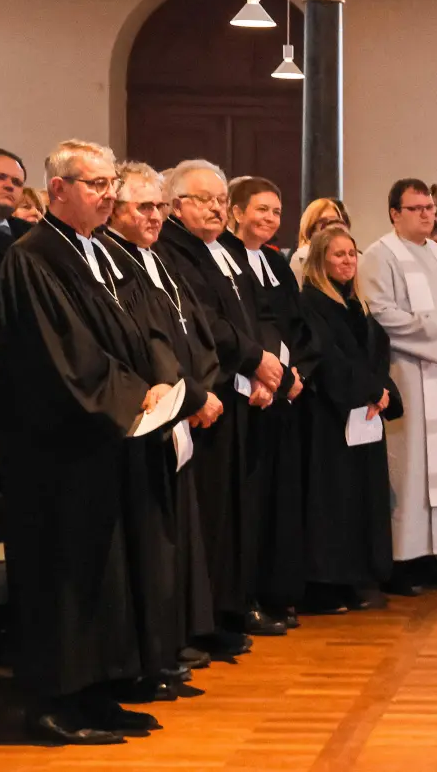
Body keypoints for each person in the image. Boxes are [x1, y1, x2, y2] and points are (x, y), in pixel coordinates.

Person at [0, 140, 192, 743]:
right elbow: (66, 358)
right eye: (95, 185)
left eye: (111, 185)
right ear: (58, 190)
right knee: (68, 575)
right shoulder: (33, 258)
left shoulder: (99, 252)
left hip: (105, 444)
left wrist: (159, 382)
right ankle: (53, 704)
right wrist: (136, 398)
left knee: (108, 573)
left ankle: (101, 690)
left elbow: (143, 324)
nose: (107, 195)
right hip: (60, 451)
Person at [156, 159, 287, 643]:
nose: (215, 208)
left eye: (218, 200)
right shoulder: (176, 251)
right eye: (203, 199)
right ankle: (211, 616)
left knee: (237, 506)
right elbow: (206, 320)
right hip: (209, 389)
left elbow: (251, 313)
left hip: (238, 384)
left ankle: (232, 604)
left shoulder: (214, 249)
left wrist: (261, 367)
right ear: (177, 204)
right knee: (213, 510)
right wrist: (254, 360)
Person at [102, 161, 224, 673]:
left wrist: (204, 388)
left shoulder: (157, 262)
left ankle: (176, 637)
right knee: (154, 538)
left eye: (159, 206)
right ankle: (156, 649)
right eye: (144, 207)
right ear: (116, 209)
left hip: (184, 406)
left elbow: (194, 330)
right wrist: (190, 395)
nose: (155, 217)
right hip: (152, 412)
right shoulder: (116, 262)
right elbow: (148, 346)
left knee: (180, 531)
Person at [358, 180, 437, 595]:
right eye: (416, 208)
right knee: (410, 467)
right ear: (394, 213)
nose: (426, 214)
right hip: (408, 374)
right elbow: (380, 314)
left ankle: (434, 553)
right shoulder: (379, 256)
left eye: (429, 207)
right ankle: (400, 561)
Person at [222, 177, 313, 627]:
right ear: (235, 211)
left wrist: (296, 374)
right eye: (262, 209)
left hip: (282, 391)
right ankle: (248, 595)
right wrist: (261, 373)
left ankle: (279, 590)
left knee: (281, 497)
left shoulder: (276, 264)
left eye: (277, 211)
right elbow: (239, 326)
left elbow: (295, 324)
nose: (271, 219)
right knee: (252, 501)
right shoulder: (226, 257)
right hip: (250, 392)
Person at [299, 227, 404, 614]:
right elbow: (326, 357)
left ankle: (356, 577)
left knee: (362, 499)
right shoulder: (310, 302)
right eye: (338, 255)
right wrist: (370, 391)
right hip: (330, 417)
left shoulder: (357, 304)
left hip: (364, 413)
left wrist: (382, 391)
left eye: (351, 254)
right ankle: (325, 584)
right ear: (320, 261)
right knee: (332, 501)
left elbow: (376, 351)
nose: (347, 261)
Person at [290, 197, 351, 283]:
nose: (331, 226)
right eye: (323, 222)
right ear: (311, 228)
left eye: (335, 221)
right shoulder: (302, 257)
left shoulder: (353, 257)